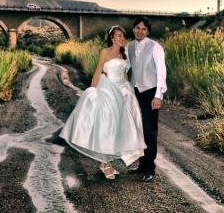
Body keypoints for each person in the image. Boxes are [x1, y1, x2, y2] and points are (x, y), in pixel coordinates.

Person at [59, 26, 146, 179]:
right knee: (107, 125)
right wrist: (92, 92)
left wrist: (129, 92)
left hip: (122, 91)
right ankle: (105, 163)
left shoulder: (124, 55)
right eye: (118, 36)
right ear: (112, 38)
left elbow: (124, 76)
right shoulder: (104, 53)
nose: (121, 39)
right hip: (107, 89)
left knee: (119, 126)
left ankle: (109, 161)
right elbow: (98, 71)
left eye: (123, 36)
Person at [126, 16, 166, 182]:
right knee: (138, 129)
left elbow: (161, 72)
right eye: (137, 28)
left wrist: (158, 95)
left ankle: (150, 168)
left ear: (148, 31)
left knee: (149, 130)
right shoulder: (129, 47)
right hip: (135, 91)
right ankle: (142, 165)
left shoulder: (155, 47)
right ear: (133, 29)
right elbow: (126, 67)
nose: (140, 31)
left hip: (150, 91)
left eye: (143, 29)